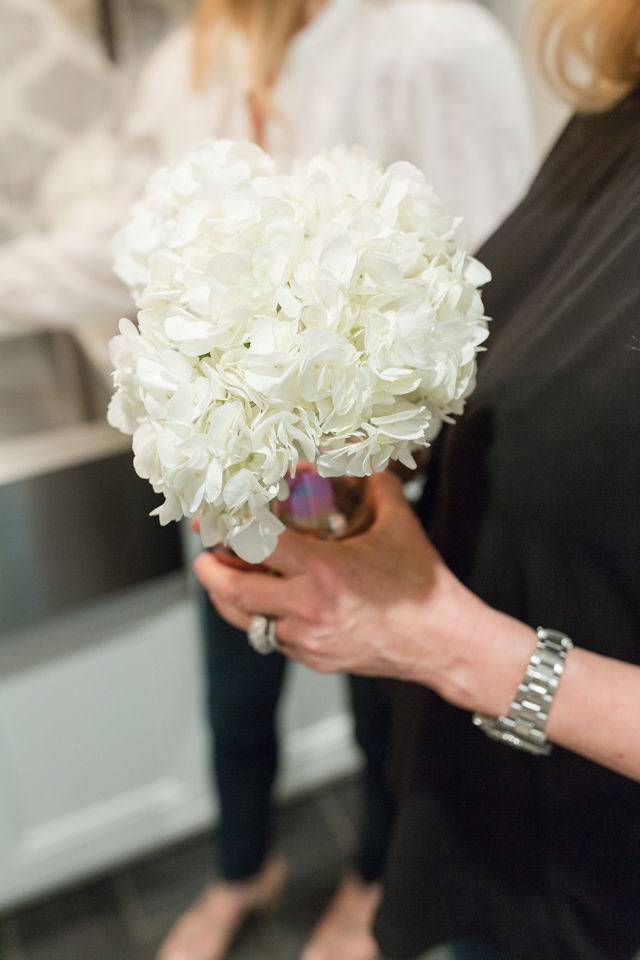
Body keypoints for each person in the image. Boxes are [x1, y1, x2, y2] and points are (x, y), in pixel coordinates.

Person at [0, 2, 535, 958]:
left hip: (380, 482)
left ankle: (371, 879)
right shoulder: (186, 63)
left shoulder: (428, 41)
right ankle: (244, 870)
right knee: (233, 700)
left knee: (385, 705)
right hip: (231, 476)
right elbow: (120, 243)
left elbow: (497, 274)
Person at [192, 0, 640, 958]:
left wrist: (441, 642)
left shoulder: (432, 42)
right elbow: (504, 365)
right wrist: (301, 444)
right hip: (489, 826)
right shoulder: (619, 103)